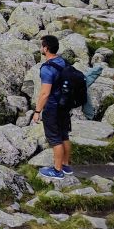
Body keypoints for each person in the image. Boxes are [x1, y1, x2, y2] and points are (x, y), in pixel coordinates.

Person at [34, 35, 72, 179]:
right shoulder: (62, 61)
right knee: (64, 136)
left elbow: (44, 93)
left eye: (41, 45)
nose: (40, 48)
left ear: (46, 48)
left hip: (53, 108)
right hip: (64, 105)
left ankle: (57, 171)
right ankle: (66, 165)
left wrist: (37, 111)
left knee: (55, 139)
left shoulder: (47, 68)